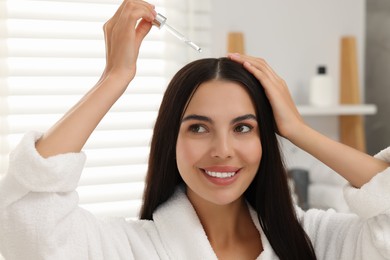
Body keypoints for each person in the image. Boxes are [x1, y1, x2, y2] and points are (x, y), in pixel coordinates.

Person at [0, 1, 389, 259]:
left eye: (243, 127)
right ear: (171, 140)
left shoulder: (316, 241)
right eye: (199, 128)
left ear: (265, 141)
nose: (223, 149)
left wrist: (297, 129)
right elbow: (30, 215)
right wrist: (115, 77)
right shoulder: (128, 248)